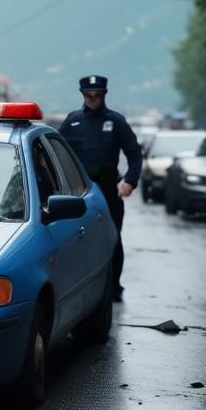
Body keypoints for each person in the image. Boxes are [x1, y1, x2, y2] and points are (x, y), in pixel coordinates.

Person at [59, 75, 143, 301]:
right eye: (89, 95)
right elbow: (57, 153)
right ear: (83, 95)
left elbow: (134, 154)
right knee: (76, 238)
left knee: (112, 237)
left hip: (108, 189)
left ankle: (113, 286)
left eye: (97, 95)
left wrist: (130, 181)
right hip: (79, 192)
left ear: (104, 94)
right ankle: (77, 284)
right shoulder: (72, 121)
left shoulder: (116, 122)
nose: (93, 99)